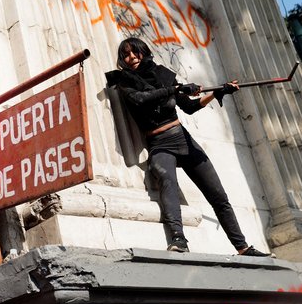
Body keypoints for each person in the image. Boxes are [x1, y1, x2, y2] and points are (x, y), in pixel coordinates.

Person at [105, 37, 269, 256]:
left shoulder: (163, 75)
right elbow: (142, 100)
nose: (131, 57)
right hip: (159, 145)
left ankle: (242, 247)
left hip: (183, 139)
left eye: (135, 52)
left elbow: (189, 107)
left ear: (144, 52)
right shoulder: (125, 82)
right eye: (126, 54)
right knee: (168, 184)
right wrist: (176, 89)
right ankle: (178, 240)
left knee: (218, 195)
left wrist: (217, 93)